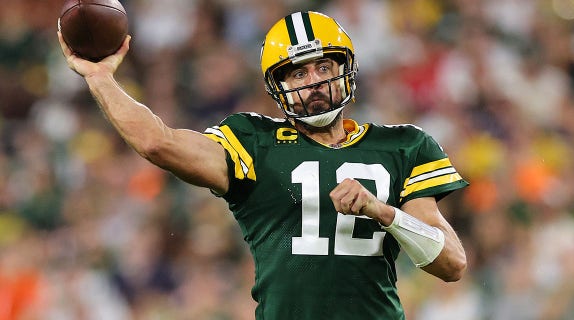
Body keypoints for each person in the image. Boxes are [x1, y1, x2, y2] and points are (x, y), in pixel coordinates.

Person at [58, 10, 469, 320]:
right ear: (277, 85)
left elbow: (452, 264)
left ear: (346, 69)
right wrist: (100, 78)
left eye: (323, 66)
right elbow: (156, 142)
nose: (313, 82)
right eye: (297, 73)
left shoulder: (402, 145)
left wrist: (384, 213)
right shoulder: (254, 141)